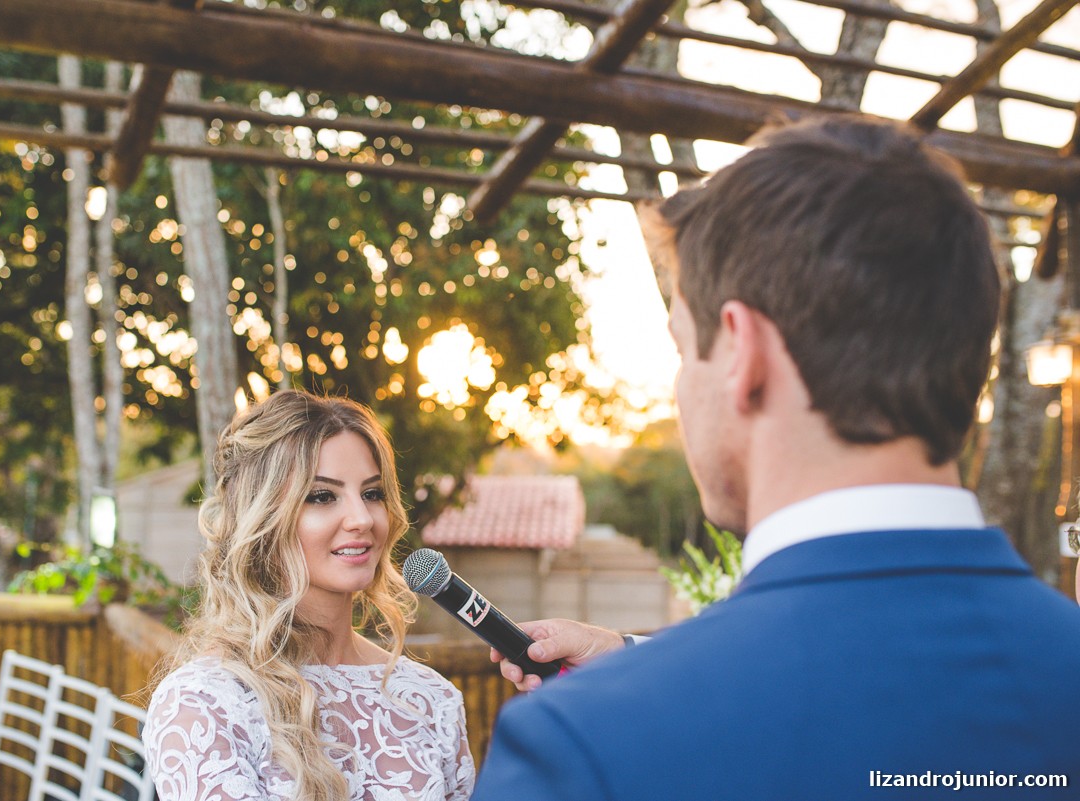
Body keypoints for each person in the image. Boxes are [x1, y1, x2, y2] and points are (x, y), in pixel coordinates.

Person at [473, 117, 1080, 800]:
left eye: (682, 349)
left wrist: (635, 686)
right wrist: (637, 656)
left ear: (743, 353)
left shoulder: (581, 747)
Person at [144, 390, 474, 801]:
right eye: (321, 496)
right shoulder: (205, 704)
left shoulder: (432, 700)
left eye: (372, 494)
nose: (361, 519)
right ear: (262, 518)